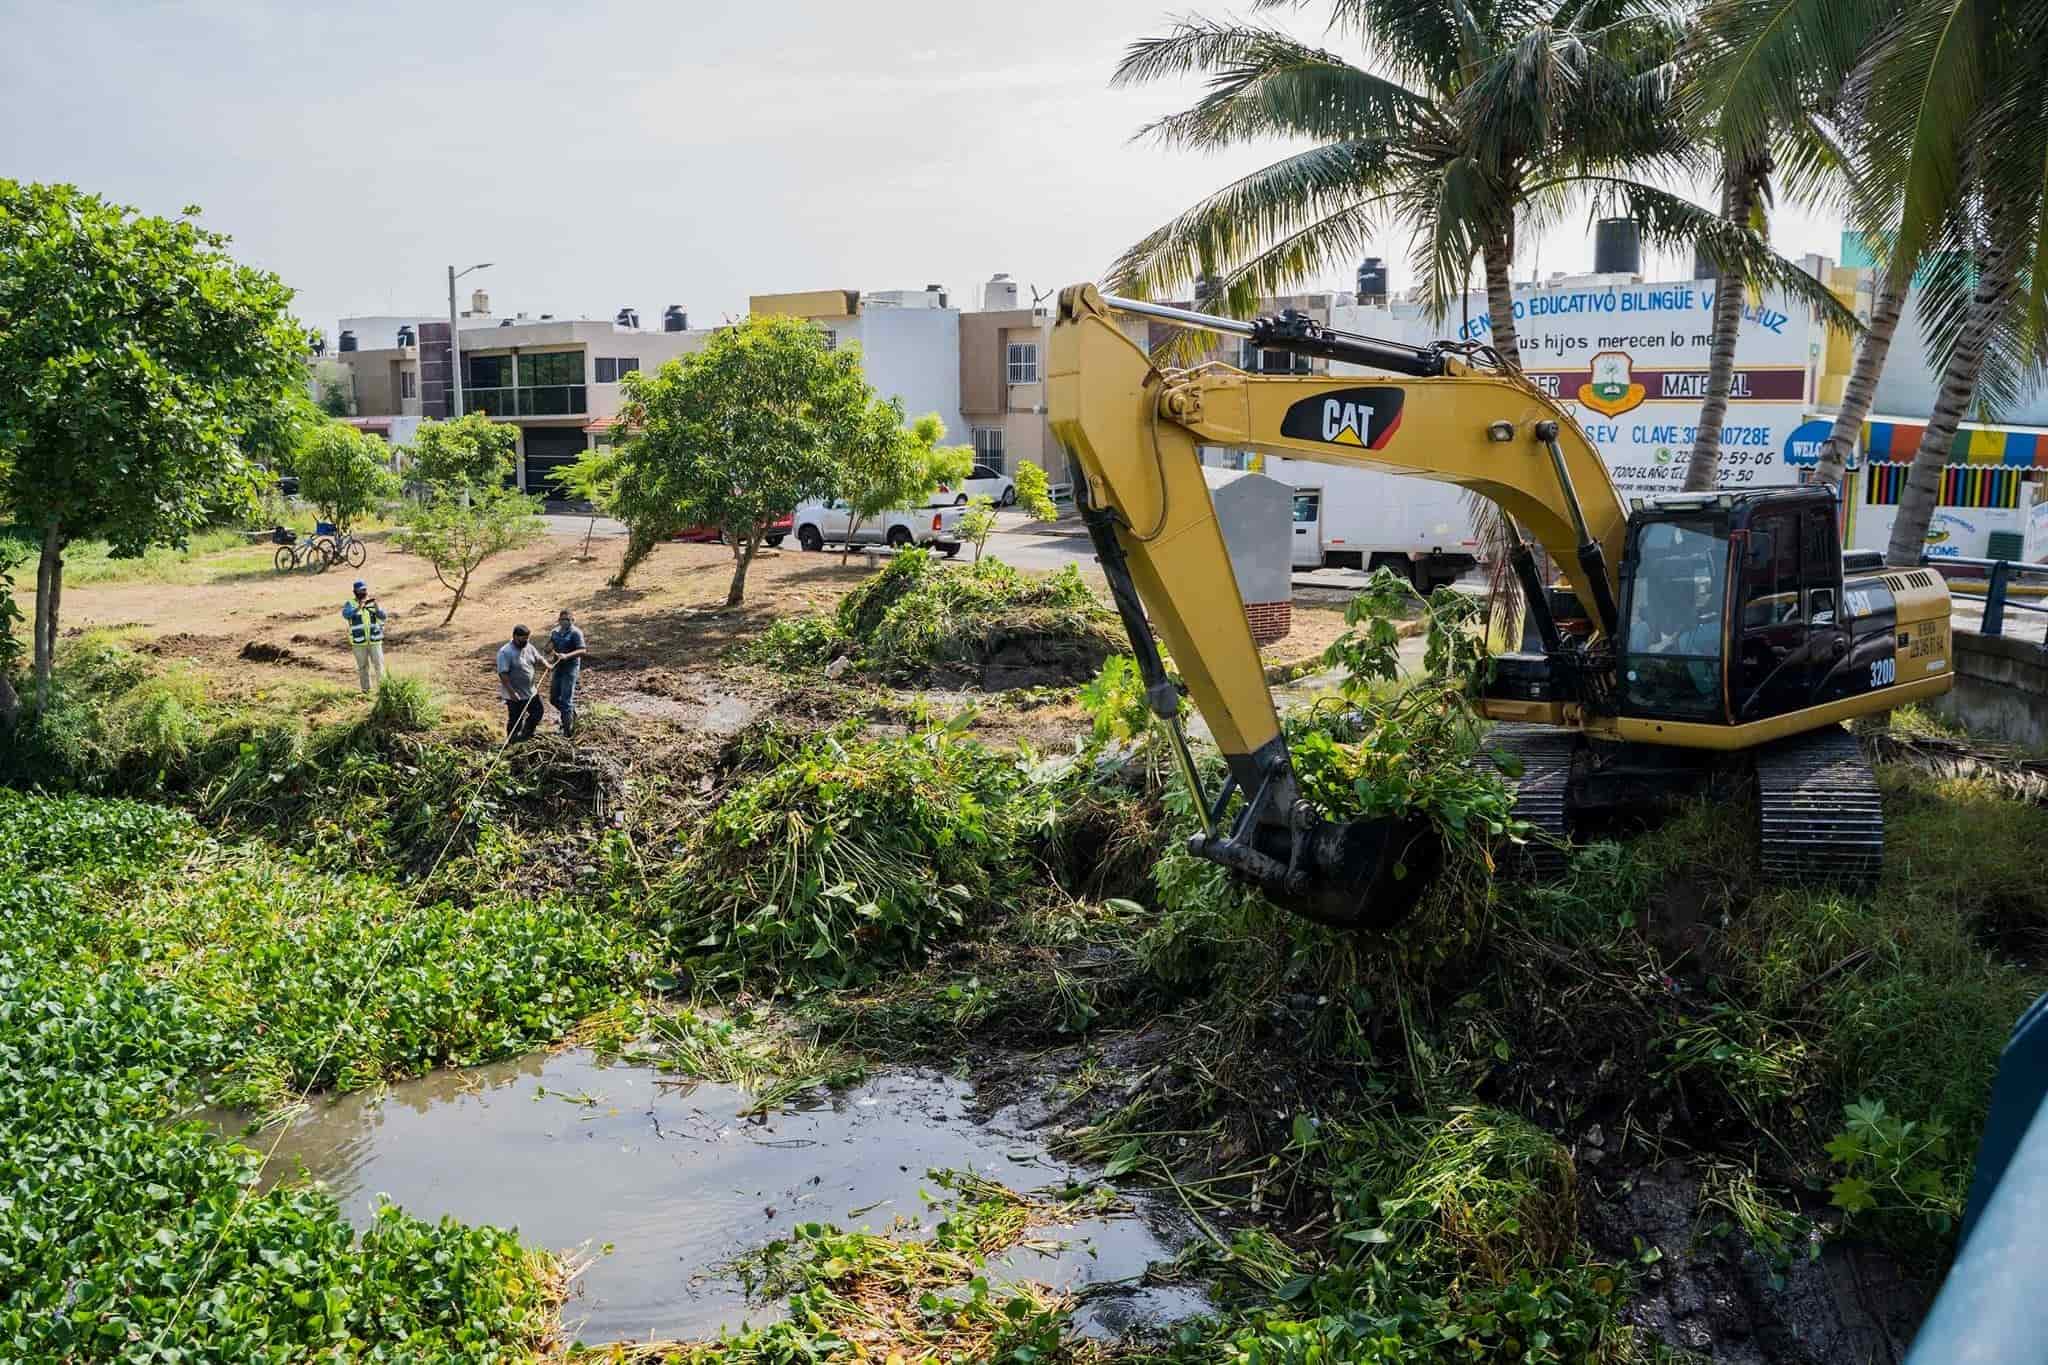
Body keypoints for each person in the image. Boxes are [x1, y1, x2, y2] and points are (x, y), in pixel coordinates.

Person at [496, 624, 547, 742]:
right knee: (516, 720)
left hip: (531, 691)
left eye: (527, 638)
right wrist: (512, 692)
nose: (526, 641)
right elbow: (503, 674)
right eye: (523, 639)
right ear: (514, 636)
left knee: (538, 713)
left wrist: (546, 664)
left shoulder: (528, 646)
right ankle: (512, 742)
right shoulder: (505, 652)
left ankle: (526, 734)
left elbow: (538, 657)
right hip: (515, 695)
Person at [546, 609, 588, 737]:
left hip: (570, 668)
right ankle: (572, 714)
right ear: (559, 620)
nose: (565, 622)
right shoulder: (555, 632)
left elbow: (582, 650)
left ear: (572, 620)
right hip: (558, 667)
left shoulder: (576, 633)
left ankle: (567, 732)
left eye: (568, 620)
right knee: (553, 699)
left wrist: (567, 656)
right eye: (562, 619)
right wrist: (548, 648)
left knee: (566, 700)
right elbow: (549, 646)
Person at [341, 581, 387, 693]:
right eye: (361, 590)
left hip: (374, 640)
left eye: (365, 590)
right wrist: (358, 608)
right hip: (358, 642)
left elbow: (383, 617)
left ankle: (384, 690)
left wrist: (378, 609)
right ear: (355, 591)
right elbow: (346, 615)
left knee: (379, 666)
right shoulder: (350, 604)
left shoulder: (372, 602)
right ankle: (366, 691)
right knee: (363, 667)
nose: (363, 592)